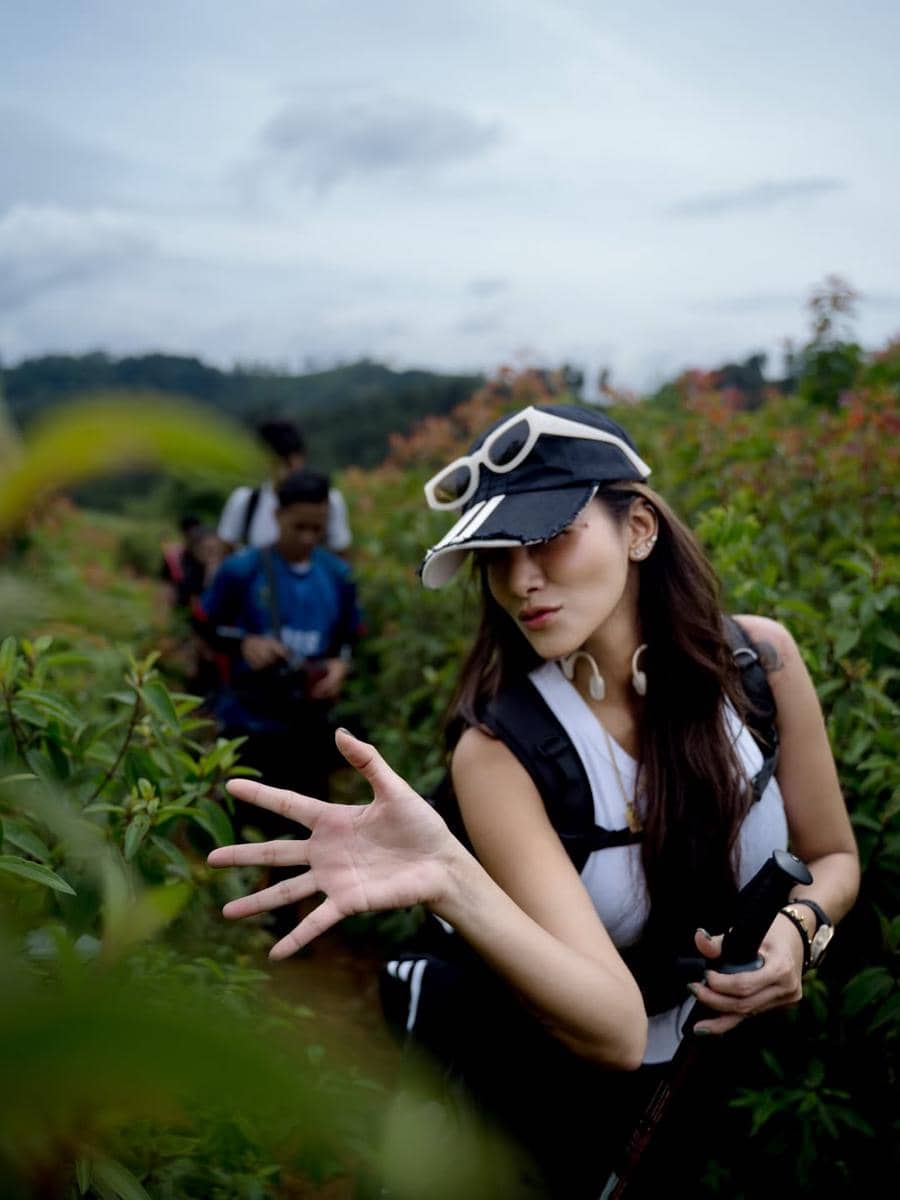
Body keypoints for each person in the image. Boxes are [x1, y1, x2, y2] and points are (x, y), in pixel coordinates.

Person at [208, 404, 859, 1196]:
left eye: (549, 534)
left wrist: (802, 929)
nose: (520, 580)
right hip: (549, 1109)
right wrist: (454, 877)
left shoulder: (761, 663)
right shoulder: (499, 751)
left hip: (715, 1085)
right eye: (495, 554)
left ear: (639, 529)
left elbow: (833, 856)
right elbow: (617, 1033)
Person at [199, 467, 362, 825]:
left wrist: (340, 665)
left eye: (317, 529)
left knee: (307, 833)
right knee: (245, 828)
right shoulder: (242, 570)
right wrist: (244, 643)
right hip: (250, 724)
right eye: (298, 527)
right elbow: (206, 626)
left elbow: (349, 637)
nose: (308, 538)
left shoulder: (337, 575)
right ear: (277, 516)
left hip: (310, 728)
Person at [217, 418, 352, 555]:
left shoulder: (329, 501)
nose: (284, 471)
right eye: (278, 462)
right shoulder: (245, 501)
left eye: (289, 463)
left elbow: (340, 553)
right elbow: (225, 552)